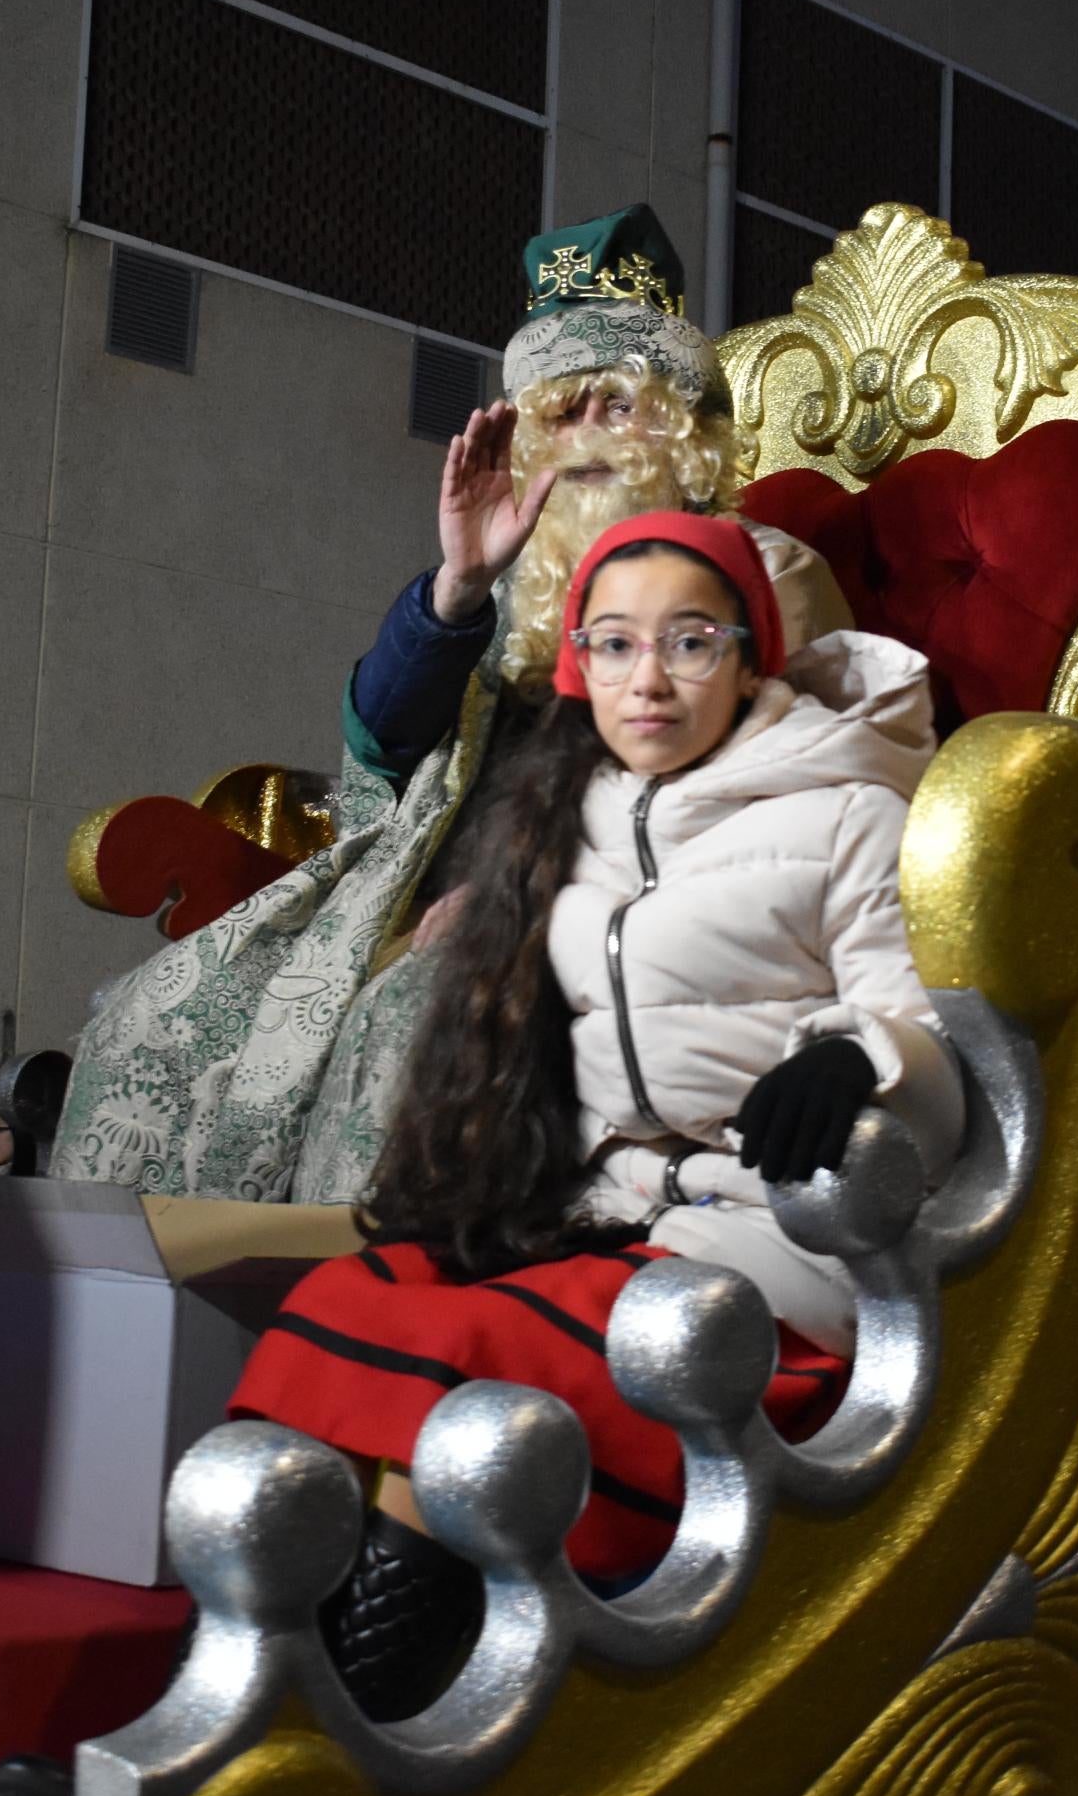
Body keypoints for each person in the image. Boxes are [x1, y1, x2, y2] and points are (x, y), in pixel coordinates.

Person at [0, 513, 953, 1796]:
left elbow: (936, 1024)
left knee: (464, 1354)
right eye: (620, 647)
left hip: (751, 1255)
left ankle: (336, 1764)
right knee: (349, 1300)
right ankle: (206, 1730)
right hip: (594, 1225)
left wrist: (856, 1057)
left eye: (690, 644)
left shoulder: (853, 813)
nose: (650, 678)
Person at [52, 206, 848, 1207]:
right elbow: (380, 744)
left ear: (682, 430)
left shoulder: (766, 575)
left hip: (603, 929)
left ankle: (349, 1320)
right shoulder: (516, 585)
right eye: (559, 416)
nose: (586, 438)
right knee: (151, 1016)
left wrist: (535, 891)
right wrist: (457, 589)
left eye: (616, 405)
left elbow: (781, 799)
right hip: (405, 910)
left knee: (412, 1026)